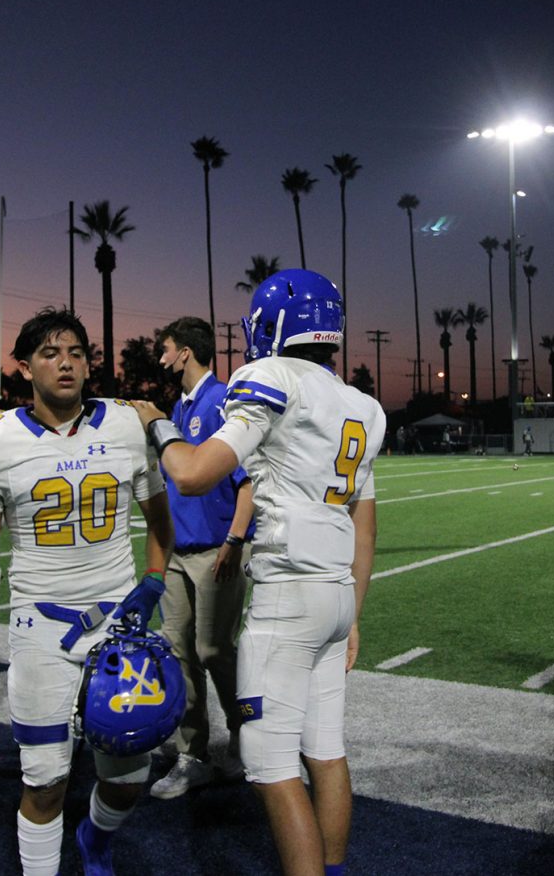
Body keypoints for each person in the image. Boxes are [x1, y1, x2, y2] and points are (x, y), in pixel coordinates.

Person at [131, 270, 386, 876]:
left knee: (271, 765)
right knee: (325, 751)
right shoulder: (364, 407)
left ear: (270, 326)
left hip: (288, 595)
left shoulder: (268, 377)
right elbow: (366, 527)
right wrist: (353, 616)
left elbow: (192, 473)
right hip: (335, 595)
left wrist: (155, 424)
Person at [0, 307, 174, 876]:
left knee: (128, 779)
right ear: (25, 367)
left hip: (118, 625)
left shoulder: (126, 424)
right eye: (50, 353)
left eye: (76, 352)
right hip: (40, 629)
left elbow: (159, 519)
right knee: (46, 781)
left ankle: (95, 837)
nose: (67, 363)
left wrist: (151, 583)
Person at [150, 316, 254, 799]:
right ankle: (193, 753)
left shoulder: (223, 401)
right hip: (179, 550)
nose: (163, 357)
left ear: (186, 353)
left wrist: (235, 541)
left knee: (213, 649)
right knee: (178, 652)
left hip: (217, 548)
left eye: (166, 349)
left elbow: (249, 480)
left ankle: (245, 733)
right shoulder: (180, 405)